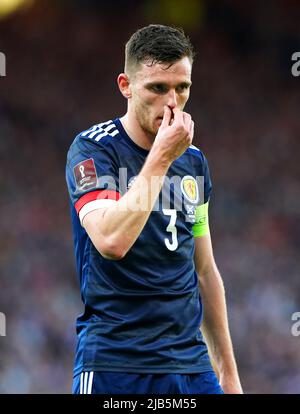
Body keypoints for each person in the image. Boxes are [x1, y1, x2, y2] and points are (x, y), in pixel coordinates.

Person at [66, 24, 243, 394]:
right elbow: (111, 241)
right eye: (158, 88)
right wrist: (161, 157)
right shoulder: (94, 151)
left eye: (183, 87)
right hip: (116, 362)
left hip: (191, 365)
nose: (173, 102)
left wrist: (227, 372)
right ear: (125, 86)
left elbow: (205, 269)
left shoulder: (193, 162)